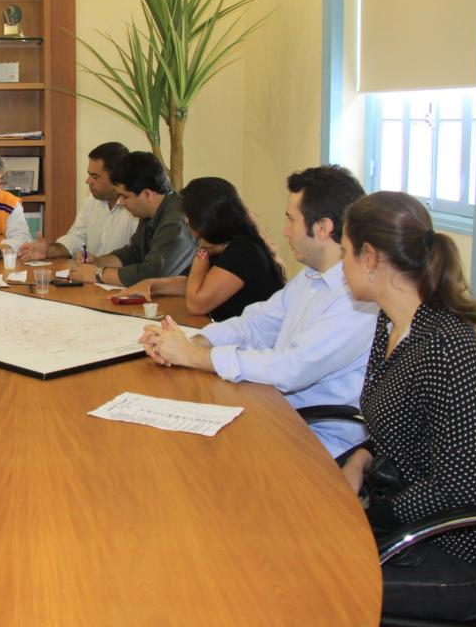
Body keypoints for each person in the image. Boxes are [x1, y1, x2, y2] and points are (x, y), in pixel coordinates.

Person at [338, 192, 476, 620]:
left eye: (346, 251)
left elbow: (455, 488)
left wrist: (371, 521)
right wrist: (361, 460)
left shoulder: (448, 348)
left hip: (470, 555)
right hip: (420, 526)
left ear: (370, 257)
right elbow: (406, 429)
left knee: (323, 581)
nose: (341, 266)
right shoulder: (391, 324)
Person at [138, 165, 376, 458]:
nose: (286, 231)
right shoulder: (311, 277)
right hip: (275, 412)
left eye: (292, 220)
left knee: (196, 459)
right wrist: (198, 342)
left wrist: (193, 357)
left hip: (316, 437)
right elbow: (257, 322)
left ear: (323, 228)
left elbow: (291, 368)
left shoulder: (358, 300)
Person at [120, 176, 285, 321]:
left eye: (189, 215)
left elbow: (196, 304)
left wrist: (202, 254)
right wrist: (150, 285)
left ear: (207, 217)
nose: (186, 220)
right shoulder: (222, 243)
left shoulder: (243, 250)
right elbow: (191, 283)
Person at [69, 151, 197, 286]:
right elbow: (134, 253)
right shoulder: (150, 211)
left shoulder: (176, 220)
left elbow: (153, 274)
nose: (122, 203)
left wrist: (97, 274)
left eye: (125, 196)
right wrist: (98, 262)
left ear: (147, 195)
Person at [18, 141, 138, 262]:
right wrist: (48, 250)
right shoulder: (92, 201)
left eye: (95, 177)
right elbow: (76, 238)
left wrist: (98, 263)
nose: (88, 181)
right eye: (89, 175)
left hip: (118, 279)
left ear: (117, 178)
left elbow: (137, 260)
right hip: (91, 277)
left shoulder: (137, 210)